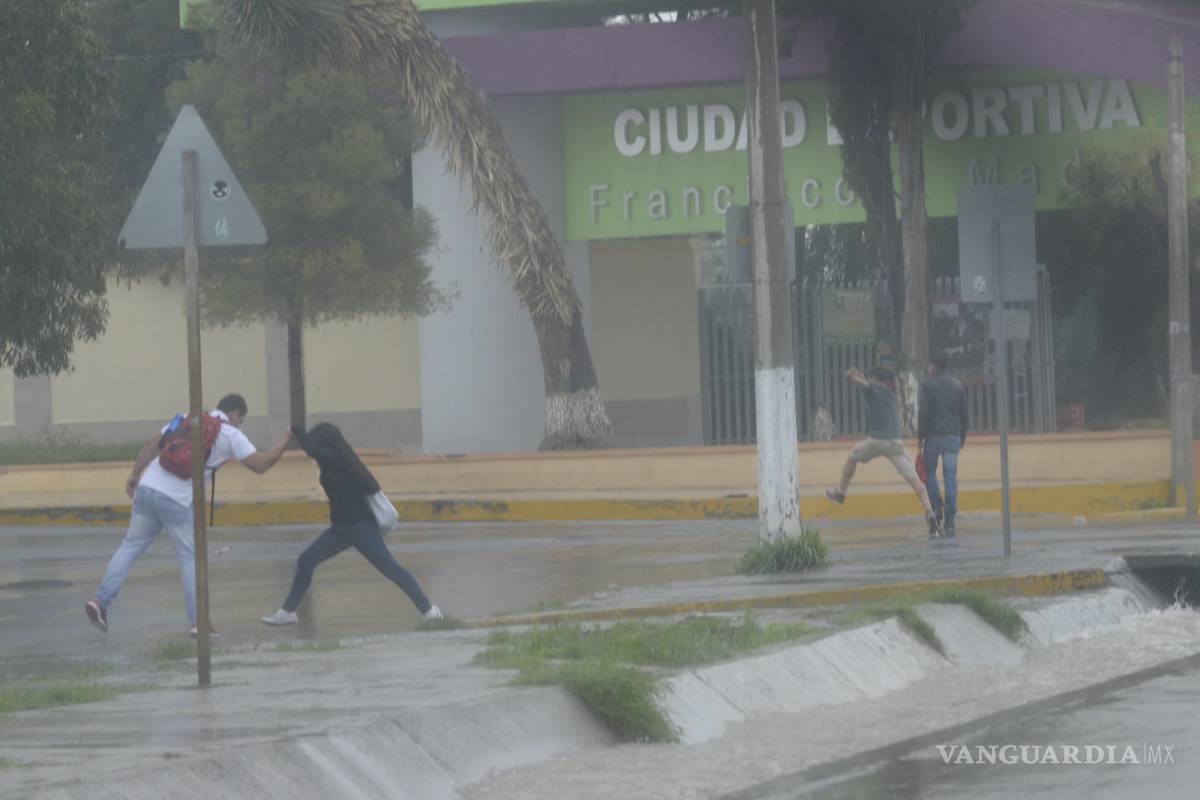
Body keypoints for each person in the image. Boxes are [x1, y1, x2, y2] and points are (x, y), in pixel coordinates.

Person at [85, 394, 294, 637]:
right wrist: (286, 441)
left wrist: (134, 475)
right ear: (235, 414)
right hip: (177, 499)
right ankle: (199, 622)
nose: (239, 425)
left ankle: (100, 602)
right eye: (241, 420)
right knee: (189, 558)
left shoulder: (185, 418)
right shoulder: (230, 434)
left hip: (147, 487)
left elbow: (151, 442)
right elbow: (261, 464)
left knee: (130, 546)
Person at [260, 422, 441, 627]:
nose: (316, 452)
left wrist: (296, 429)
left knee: (391, 568)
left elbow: (311, 449)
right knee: (306, 560)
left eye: (318, 443)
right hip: (340, 529)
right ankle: (287, 611)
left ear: (325, 444)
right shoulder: (332, 462)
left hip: (360, 528)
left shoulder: (337, 460)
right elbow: (314, 451)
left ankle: (428, 609)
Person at [825, 366, 943, 538]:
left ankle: (841, 493)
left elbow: (858, 382)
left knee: (853, 456)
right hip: (896, 444)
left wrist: (851, 374)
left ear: (877, 379)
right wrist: (861, 374)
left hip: (877, 441)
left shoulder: (873, 388)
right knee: (918, 484)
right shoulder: (892, 395)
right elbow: (866, 382)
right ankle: (931, 519)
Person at [918, 351, 969, 538]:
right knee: (950, 476)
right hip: (953, 436)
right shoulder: (957, 385)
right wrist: (962, 436)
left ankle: (936, 507)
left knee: (929, 473)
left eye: (929, 365)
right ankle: (950, 519)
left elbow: (923, 411)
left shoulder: (926, 384)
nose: (928, 368)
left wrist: (920, 436)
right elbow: (965, 414)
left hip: (932, 436)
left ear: (933, 365)